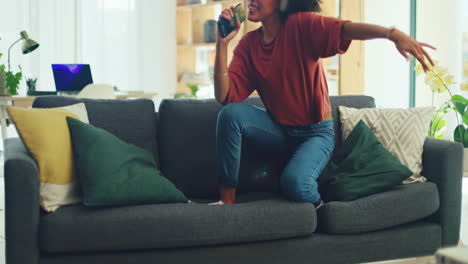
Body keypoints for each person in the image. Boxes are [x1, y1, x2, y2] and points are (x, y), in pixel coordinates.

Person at [212, 0, 435, 207]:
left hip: (315, 134)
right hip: (278, 130)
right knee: (231, 114)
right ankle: (226, 204)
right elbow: (226, 96)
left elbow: (345, 29)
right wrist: (222, 44)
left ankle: (321, 206)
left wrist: (391, 34)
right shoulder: (249, 45)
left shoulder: (302, 26)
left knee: (295, 184)